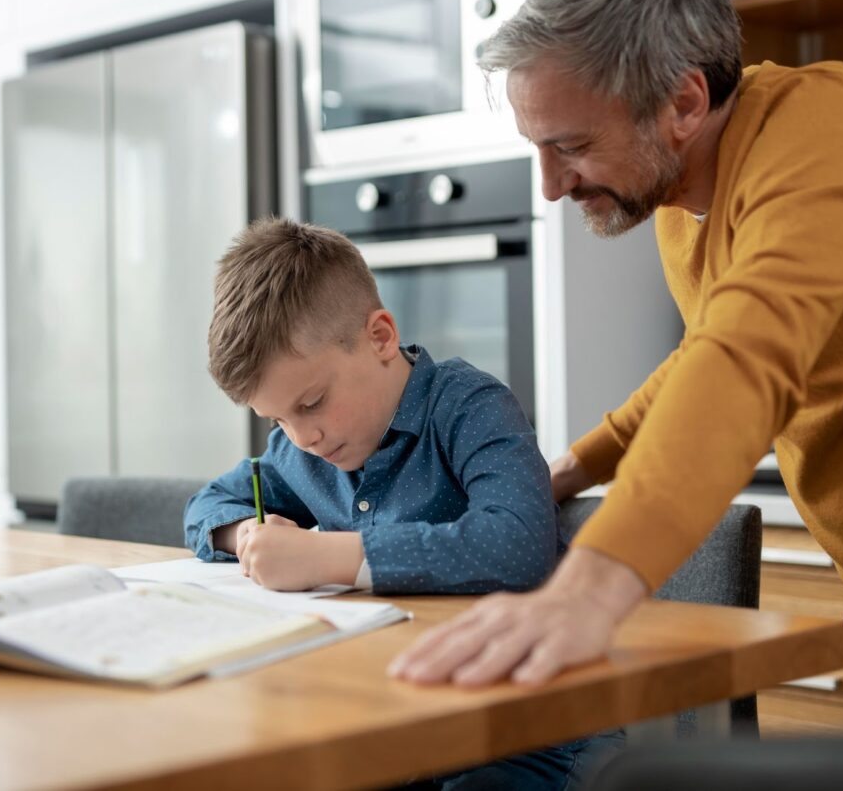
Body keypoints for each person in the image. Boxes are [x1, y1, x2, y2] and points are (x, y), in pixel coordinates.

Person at [387, 0, 843, 735]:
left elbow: (746, 355)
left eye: (573, 147)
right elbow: (703, 354)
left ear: (685, 104)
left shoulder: (828, 124)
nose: (553, 186)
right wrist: (580, 462)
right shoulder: (681, 201)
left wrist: (593, 585)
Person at [185, 217, 622, 787]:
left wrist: (325, 558)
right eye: (277, 419)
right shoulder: (307, 450)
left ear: (381, 337)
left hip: (531, 728)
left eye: (312, 403)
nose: (302, 437)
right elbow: (208, 503)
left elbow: (517, 545)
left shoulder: (471, 407)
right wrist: (247, 537)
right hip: (395, 719)